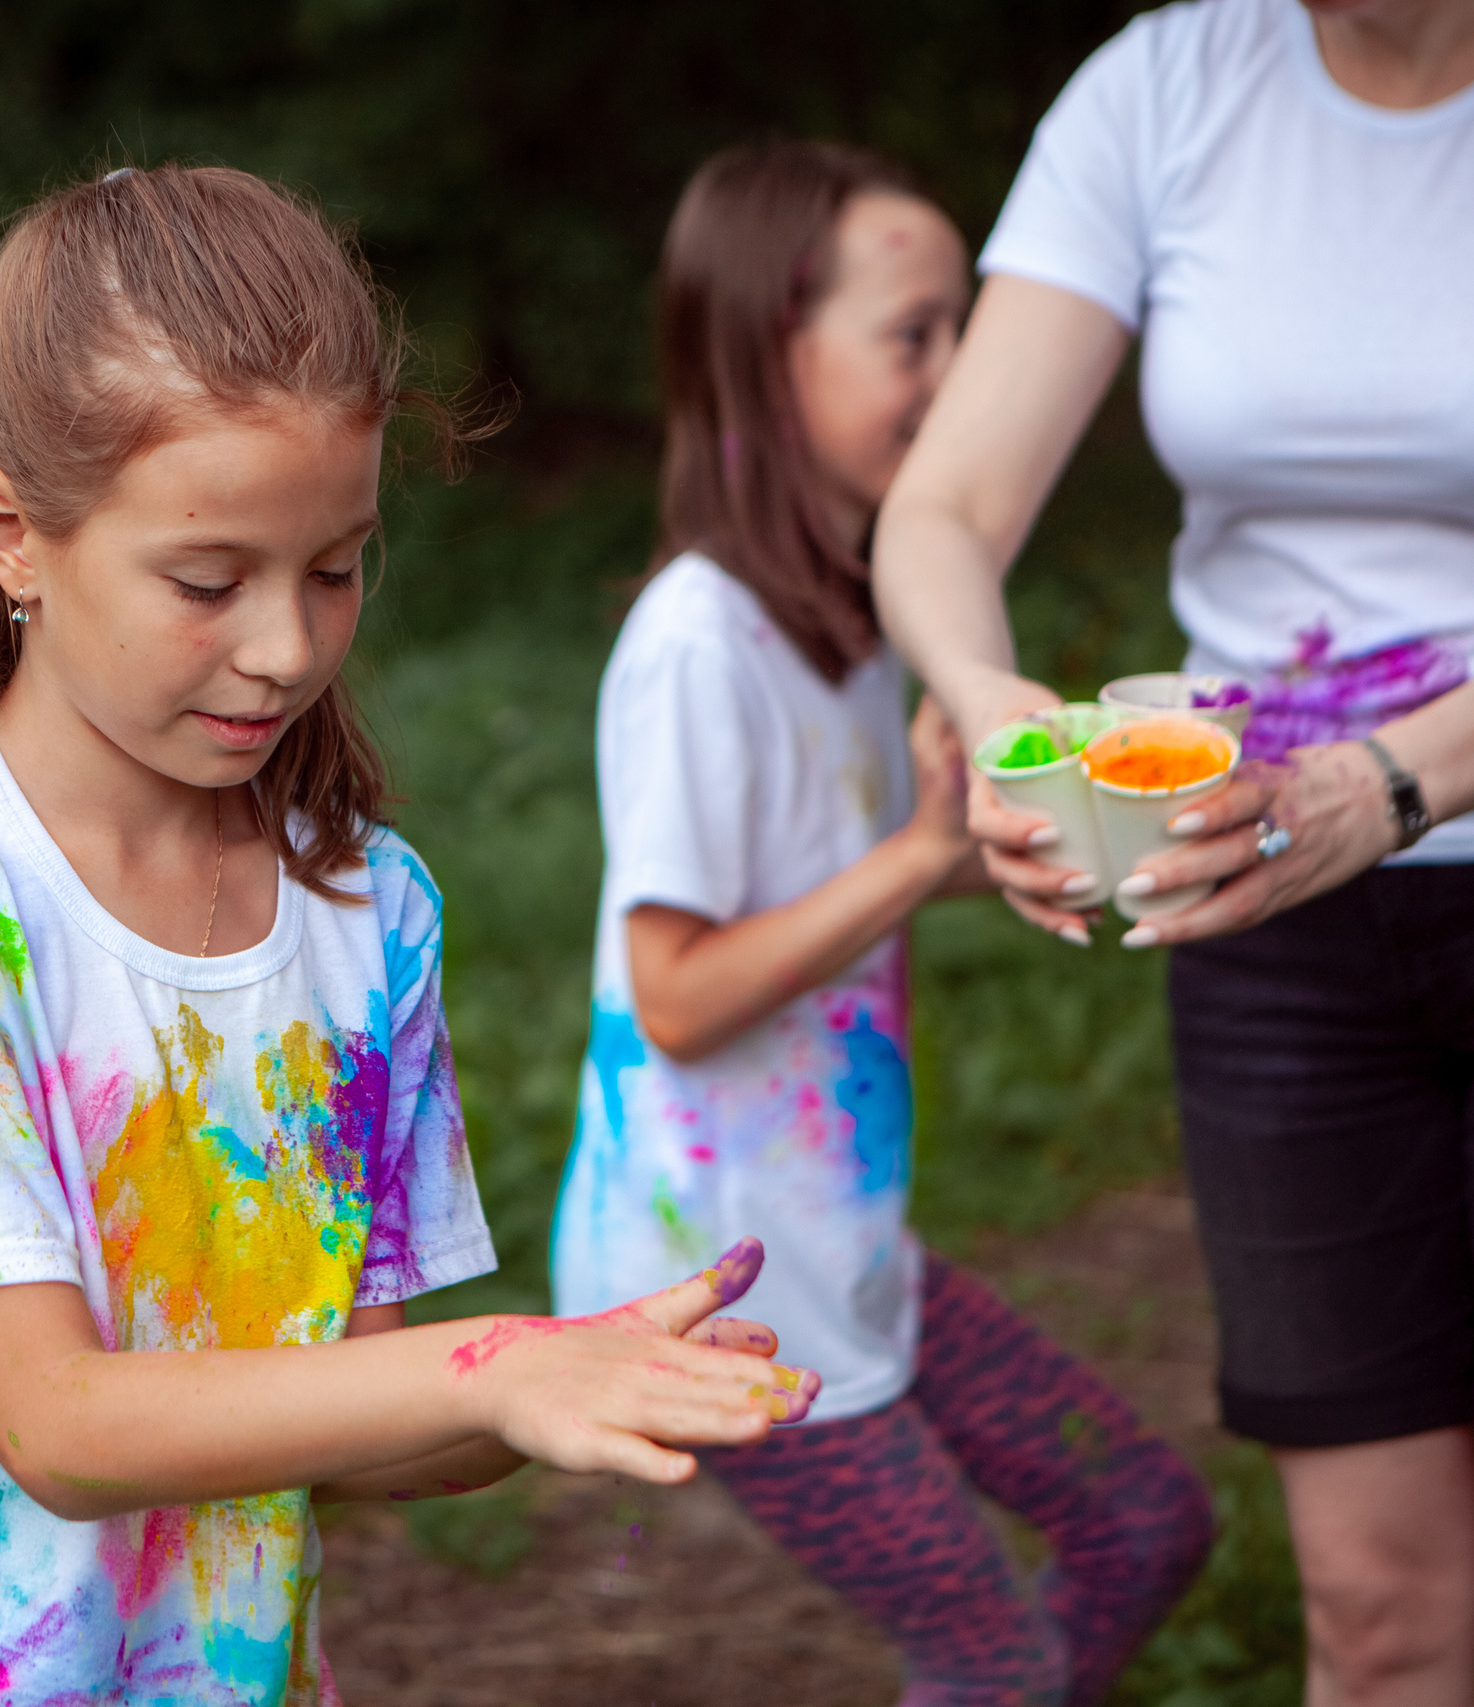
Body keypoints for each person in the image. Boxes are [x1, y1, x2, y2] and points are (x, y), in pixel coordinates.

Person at [0, 163, 818, 1707]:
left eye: (336, 567)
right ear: (10, 533)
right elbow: (60, 1431)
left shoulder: (371, 912)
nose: (288, 647)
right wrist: (493, 1367)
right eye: (207, 580)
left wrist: (581, 1380)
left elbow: (346, 1405)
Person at [872, 0, 1474, 1698]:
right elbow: (944, 508)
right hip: (1266, 912)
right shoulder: (1165, 85)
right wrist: (1004, 715)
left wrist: (1393, 786)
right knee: (1372, 1606)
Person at [551, 139, 1213, 1707]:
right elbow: (679, 996)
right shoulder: (698, 645)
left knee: (1143, 1521)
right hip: (714, 1300)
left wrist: (1046, 840)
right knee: (990, 1658)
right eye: (913, 334)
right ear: (769, 358)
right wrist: (922, 858)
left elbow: (846, 890)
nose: (961, 372)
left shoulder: (850, 625)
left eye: (964, 330)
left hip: (840, 1250)